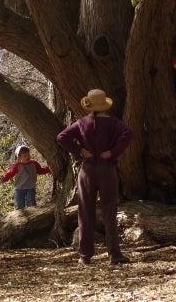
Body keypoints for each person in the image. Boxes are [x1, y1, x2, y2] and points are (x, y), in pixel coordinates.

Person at [56, 89, 133, 266]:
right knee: (109, 211)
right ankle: (114, 254)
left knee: (85, 212)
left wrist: (80, 150)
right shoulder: (113, 123)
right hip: (107, 170)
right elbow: (128, 133)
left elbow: (62, 137)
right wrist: (113, 152)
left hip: (88, 170)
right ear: (105, 105)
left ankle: (85, 255)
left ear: (89, 105)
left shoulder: (82, 123)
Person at [0, 145, 51, 209]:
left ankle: (33, 217)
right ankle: (19, 217)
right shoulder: (17, 165)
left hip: (30, 188)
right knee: (19, 206)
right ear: (19, 157)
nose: (27, 157)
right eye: (25, 156)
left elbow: (40, 170)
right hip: (19, 189)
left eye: (28, 155)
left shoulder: (34, 163)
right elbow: (10, 172)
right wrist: (4, 178)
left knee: (31, 204)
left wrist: (48, 169)